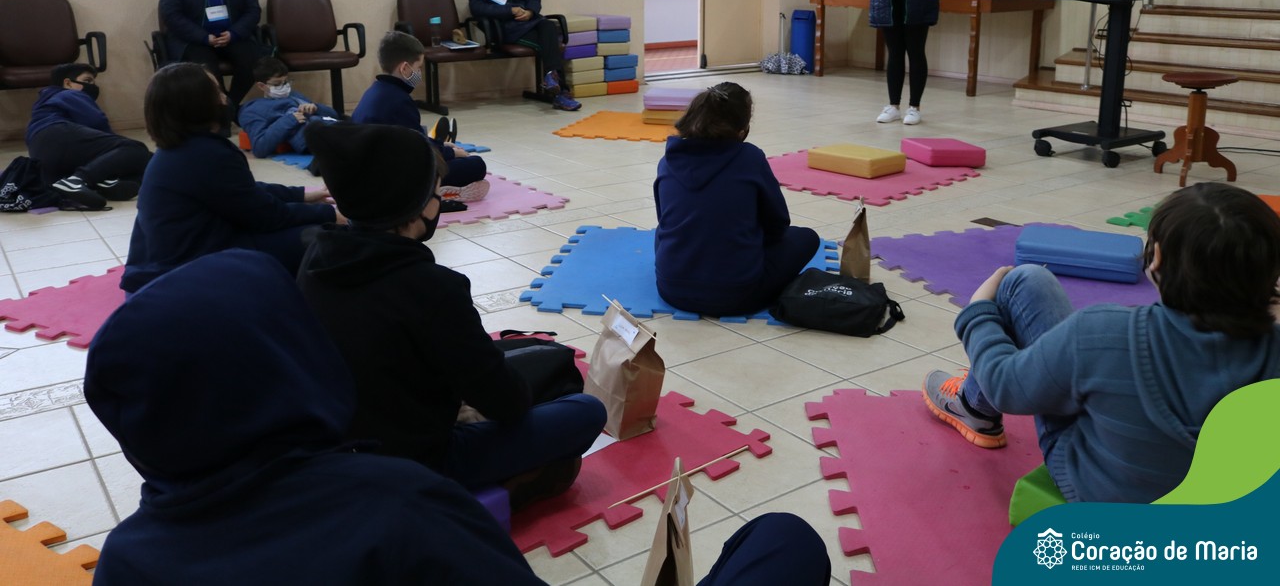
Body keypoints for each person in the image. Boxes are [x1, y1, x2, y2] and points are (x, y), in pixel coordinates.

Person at [85, 249, 832, 586]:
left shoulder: (127, 560)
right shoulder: (391, 504)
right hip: (439, 450)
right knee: (783, 538)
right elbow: (499, 399)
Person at [299, 121, 605, 507]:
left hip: (338, 447)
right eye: (435, 192)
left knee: (532, 357)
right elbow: (507, 404)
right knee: (586, 411)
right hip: (418, 460)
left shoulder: (314, 255)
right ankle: (497, 488)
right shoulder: (432, 286)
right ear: (416, 206)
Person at [923, 182, 1280, 503]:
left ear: (1156, 259)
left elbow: (1005, 386)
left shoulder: (1104, 332)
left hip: (1105, 500)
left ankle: (972, 406)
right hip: (1232, 518)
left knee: (1025, 282)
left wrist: (979, 311)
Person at [121, 63, 339, 294]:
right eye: (217, 92)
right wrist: (330, 214)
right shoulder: (208, 153)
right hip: (181, 277)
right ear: (198, 104)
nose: (225, 98)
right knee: (320, 237)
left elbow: (241, 191)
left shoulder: (179, 148)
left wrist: (303, 195)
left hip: (158, 267)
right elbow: (266, 216)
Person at [654, 83, 821, 317]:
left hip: (671, 289)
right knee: (807, 238)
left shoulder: (668, 160)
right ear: (742, 130)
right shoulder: (750, 157)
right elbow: (778, 223)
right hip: (738, 296)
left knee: (668, 230)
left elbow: (663, 218)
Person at [352, 30, 489, 207]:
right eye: (418, 68)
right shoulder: (400, 100)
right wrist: (452, 153)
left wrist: (441, 146)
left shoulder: (373, 91)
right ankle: (437, 191)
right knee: (476, 164)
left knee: (442, 150)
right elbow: (421, 151)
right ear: (404, 68)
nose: (419, 73)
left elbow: (410, 140)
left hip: (365, 176)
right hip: (392, 181)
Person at [158, 0, 263, 122]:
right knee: (208, 73)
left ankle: (228, 108)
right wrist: (204, 37)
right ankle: (221, 116)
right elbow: (171, 15)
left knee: (253, 61)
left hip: (231, 36)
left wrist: (234, 33)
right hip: (195, 40)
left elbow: (253, 9)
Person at [465, 0, 582, 112]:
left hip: (529, 21)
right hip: (506, 27)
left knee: (548, 25)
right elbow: (478, 8)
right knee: (550, 43)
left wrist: (530, 11)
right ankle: (561, 92)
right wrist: (510, 10)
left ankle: (553, 80)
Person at [24, 63, 151, 210]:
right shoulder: (69, 94)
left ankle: (105, 182)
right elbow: (97, 122)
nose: (93, 86)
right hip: (57, 133)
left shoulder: (45, 102)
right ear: (68, 83)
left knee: (138, 157)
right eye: (87, 80)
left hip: (42, 155)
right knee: (135, 149)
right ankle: (78, 180)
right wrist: (122, 149)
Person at [238, 57, 339, 160]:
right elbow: (259, 149)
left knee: (347, 129)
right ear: (261, 86)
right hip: (316, 137)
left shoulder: (294, 95)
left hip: (332, 126)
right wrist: (290, 120)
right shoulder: (253, 110)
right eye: (277, 84)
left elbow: (335, 115)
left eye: (286, 82)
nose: (284, 87)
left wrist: (316, 108)